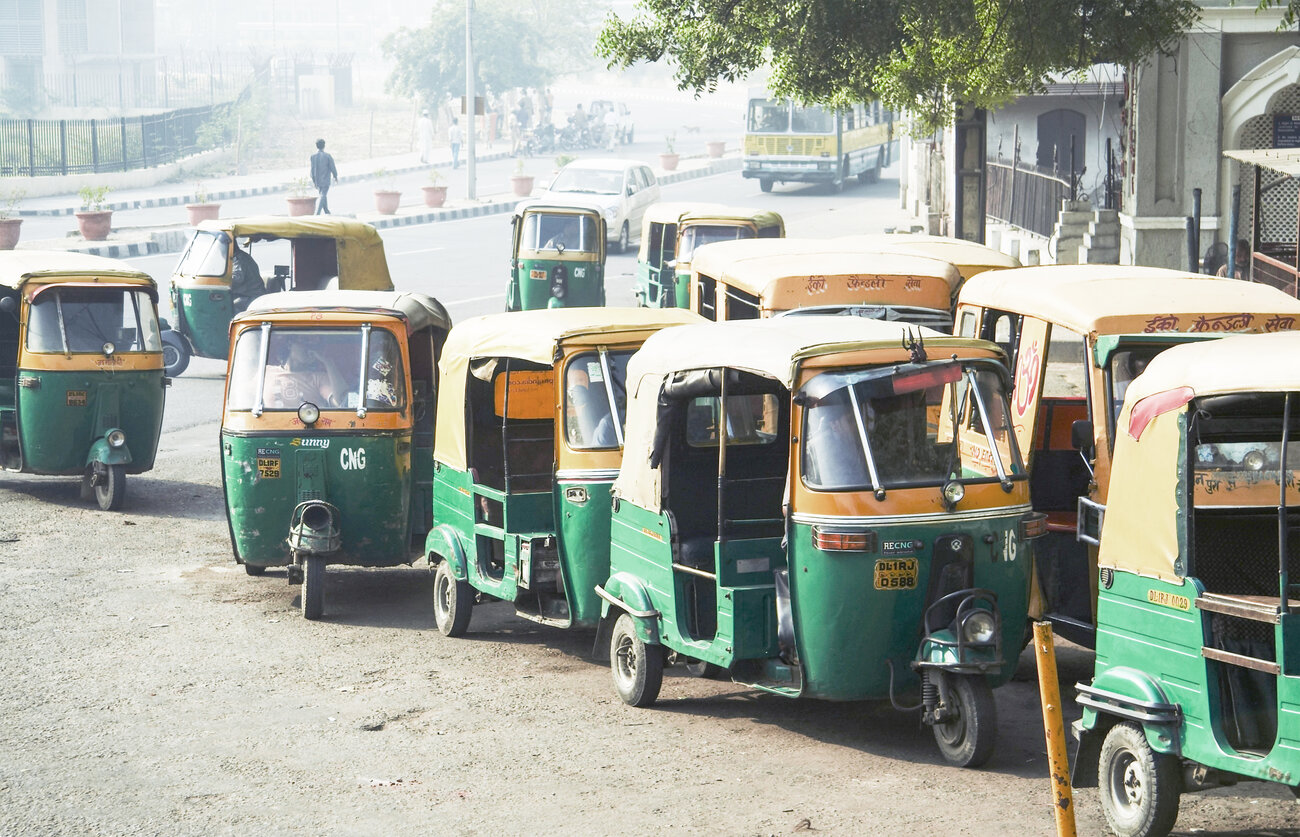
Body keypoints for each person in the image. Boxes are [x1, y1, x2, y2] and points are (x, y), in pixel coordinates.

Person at [264, 339, 348, 409]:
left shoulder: (318, 377)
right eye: (305, 343)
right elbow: (251, 399)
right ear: (290, 344)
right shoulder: (267, 372)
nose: (310, 349)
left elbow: (340, 402)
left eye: (315, 346)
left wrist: (328, 363)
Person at [229, 240, 264, 312]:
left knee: (226, 308)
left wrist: (219, 281)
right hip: (244, 294)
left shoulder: (239, 258)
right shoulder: (237, 256)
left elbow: (237, 278)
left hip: (251, 297)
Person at [309, 138, 338, 215]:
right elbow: (333, 167)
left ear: (316, 146)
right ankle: (317, 213)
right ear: (324, 146)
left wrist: (314, 180)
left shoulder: (313, 157)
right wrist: (335, 176)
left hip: (317, 180)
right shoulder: (327, 156)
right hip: (325, 179)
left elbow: (312, 170)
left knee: (322, 195)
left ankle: (327, 211)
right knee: (323, 195)